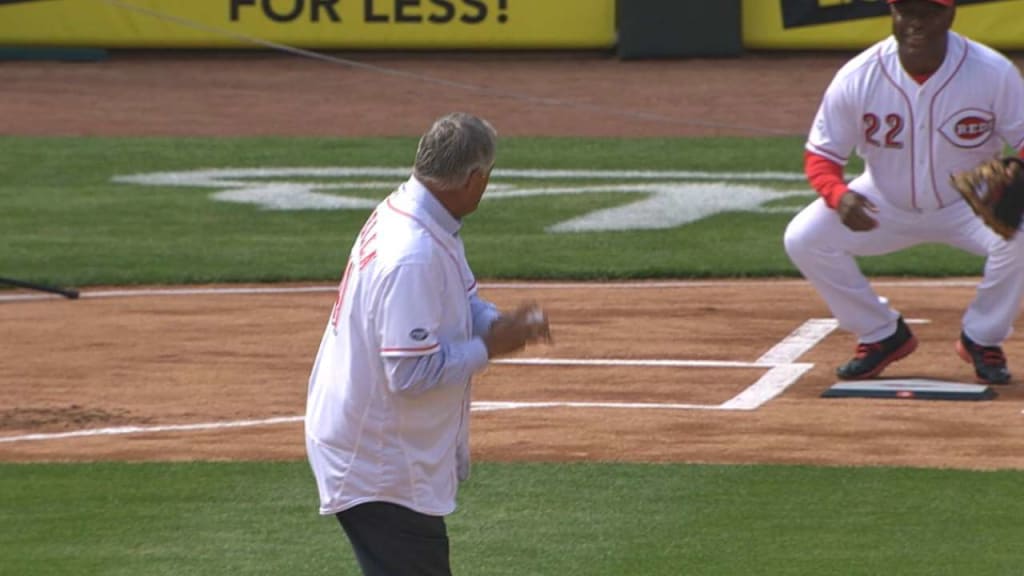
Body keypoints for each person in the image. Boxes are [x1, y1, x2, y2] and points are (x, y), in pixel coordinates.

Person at [305, 112, 552, 576]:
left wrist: (500, 322)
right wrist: (492, 346)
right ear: (474, 178)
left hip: (383, 449)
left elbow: (464, 297)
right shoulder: (412, 253)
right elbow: (410, 373)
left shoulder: (422, 215)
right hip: (379, 465)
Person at [784, 0, 1024, 385]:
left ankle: (982, 338)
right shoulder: (859, 75)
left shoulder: (992, 72)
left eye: (928, 13)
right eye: (906, 12)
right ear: (892, 14)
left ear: (950, 15)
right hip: (883, 203)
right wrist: (838, 195)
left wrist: (1017, 169)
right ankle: (881, 334)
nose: (916, 23)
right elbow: (821, 155)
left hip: (970, 207)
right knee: (804, 237)